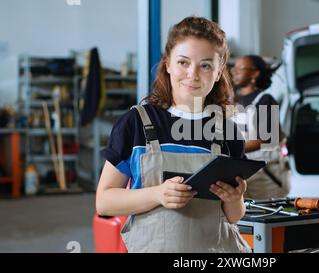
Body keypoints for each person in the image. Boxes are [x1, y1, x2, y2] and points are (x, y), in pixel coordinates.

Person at [96, 16, 251, 253]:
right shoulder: (136, 123)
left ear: (219, 72)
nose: (193, 74)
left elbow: (234, 216)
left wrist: (234, 198)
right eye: (183, 62)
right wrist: (157, 195)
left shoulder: (228, 132)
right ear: (168, 64)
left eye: (206, 65)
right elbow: (104, 202)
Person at [231, 55, 290, 200]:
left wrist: (233, 149)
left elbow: (266, 139)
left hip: (266, 177)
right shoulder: (237, 103)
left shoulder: (265, 100)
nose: (234, 72)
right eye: (234, 68)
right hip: (244, 173)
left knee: (267, 219)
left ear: (255, 73)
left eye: (240, 68)